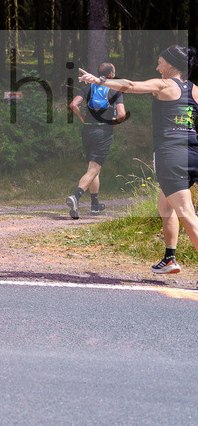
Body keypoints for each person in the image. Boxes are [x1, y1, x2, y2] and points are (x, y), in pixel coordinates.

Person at [78, 46, 198, 276]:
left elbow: (130, 86)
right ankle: (170, 258)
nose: (157, 67)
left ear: (171, 65)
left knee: (186, 213)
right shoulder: (194, 90)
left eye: (160, 62)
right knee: (165, 205)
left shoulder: (164, 85)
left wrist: (99, 81)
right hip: (192, 153)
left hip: (172, 156)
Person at [66, 62, 126, 219]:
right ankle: (76, 197)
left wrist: (82, 117)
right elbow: (121, 115)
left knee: (93, 168)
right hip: (103, 132)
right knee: (93, 169)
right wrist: (112, 122)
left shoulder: (88, 88)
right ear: (112, 75)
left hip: (87, 131)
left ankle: (94, 205)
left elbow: (73, 105)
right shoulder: (115, 90)